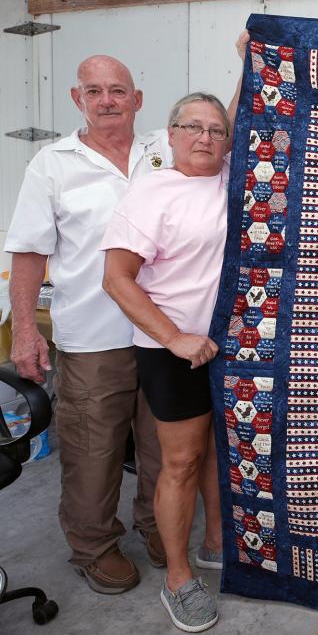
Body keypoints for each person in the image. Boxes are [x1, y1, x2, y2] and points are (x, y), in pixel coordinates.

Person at [4, 56, 170, 594]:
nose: (106, 101)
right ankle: (93, 545)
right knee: (93, 451)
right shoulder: (52, 164)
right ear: (78, 98)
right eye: (94, 91)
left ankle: (156, 524)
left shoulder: (164, 151)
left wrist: (249, 62)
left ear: (136, 99)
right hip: (94, 338)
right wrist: (27, 330)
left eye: (117, 91)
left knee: (162, 446)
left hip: (166, 334)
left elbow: (232, 134)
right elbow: (29, 252)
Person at [101, 92, 230, 633]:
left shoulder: (233, 179)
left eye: (216, 130)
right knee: (180, 461)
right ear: (170, 133)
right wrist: (175, 337)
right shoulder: (151, 191)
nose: (205, 137)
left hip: (226, 347)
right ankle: (178, 578)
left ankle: (217, 543)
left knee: (215, 451)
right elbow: (116, 279)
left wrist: (252, 58)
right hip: (169, 348)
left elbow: (251, 109)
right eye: (192, 127)